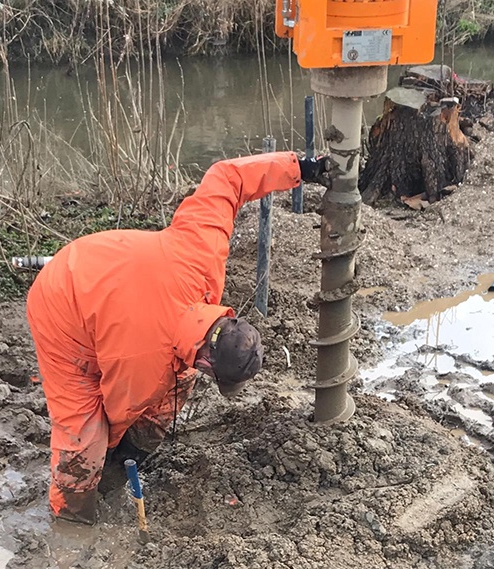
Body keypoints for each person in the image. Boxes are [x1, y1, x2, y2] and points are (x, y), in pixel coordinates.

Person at [27, 151, 328, 523]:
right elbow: (117, 411)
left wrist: (300, 166)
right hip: (63, 305)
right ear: (208, 358)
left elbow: (227, 177)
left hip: (106, 270)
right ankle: (71, 516)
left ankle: (127, 460)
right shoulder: (142, 360)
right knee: (84, 435)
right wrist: (104, 456)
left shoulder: (204, 256)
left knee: (174, 387)